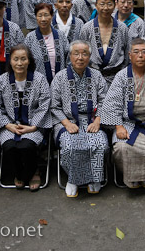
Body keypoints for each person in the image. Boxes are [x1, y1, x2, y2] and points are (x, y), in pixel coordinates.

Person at [100, 39, 145, 189]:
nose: (140, 56)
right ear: (130, 55)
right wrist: (118, 126)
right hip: (127, 123)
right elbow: (111, 104)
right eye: (136, 52)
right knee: (121, 148)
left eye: (144, 52)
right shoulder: (121, 77)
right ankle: (132, 177)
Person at [51, 40, 109, 197]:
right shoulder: (60, 77)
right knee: (70, 146)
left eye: (84, 53)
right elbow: (54, 106)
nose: (80, 57)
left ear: (90, 56)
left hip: (92, 119)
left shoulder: (96, 76)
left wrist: (98, 120)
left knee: (100, 144)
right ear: (70, 56)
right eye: (76, 53)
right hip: (67, 120)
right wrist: (66, 123)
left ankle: (93, 178)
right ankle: (74, 179)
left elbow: (105, 101)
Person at [0, 44, 51, 191]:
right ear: (10, 61)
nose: (19, 63)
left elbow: (44, 105)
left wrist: (33, 126)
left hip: (33, 125)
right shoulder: (2, 80)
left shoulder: (39, 79)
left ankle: (33, 172)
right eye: (16, 59)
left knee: (26, 145)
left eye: (23, 59)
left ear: (29, 61)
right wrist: (7, 125)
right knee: (9, 146)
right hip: (10, 124)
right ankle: (20, 173)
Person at [79, 0, 129, 84]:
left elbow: (127, 54)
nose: (105, 8)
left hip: (117, 77)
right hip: (92, 76)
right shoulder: (87, 28)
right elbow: (82, 52)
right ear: (96, 6)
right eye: (102, 4)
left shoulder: (122, 28)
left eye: (109, 4)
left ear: (115, 6)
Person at [24, 3, 69, 83]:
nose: (43, 19)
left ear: (52, 16)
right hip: (38, 83)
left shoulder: (60, 35)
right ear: (36, 17)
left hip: (61, 83)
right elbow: (26, 61)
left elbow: (68, 57)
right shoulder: (30, 38)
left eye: (46, 15)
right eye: (40, 15)